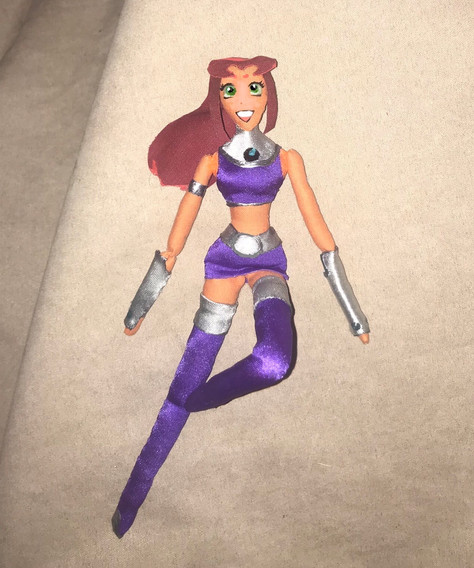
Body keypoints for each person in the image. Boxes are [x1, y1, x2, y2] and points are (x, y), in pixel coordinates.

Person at [112, 56, 370, 538]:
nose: (245, 100)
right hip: (224, 261)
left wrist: (351, 309)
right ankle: (131, 498)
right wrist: (144, 298)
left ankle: (192, 402)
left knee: (274, 360)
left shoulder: (287, 158)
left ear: (268, 93)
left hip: (269, 260)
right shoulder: (211, 160)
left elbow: (318, 227)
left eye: (254, 87)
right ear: (219, 100)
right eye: (231, 90)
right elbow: (179, 231)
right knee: (191, 365)